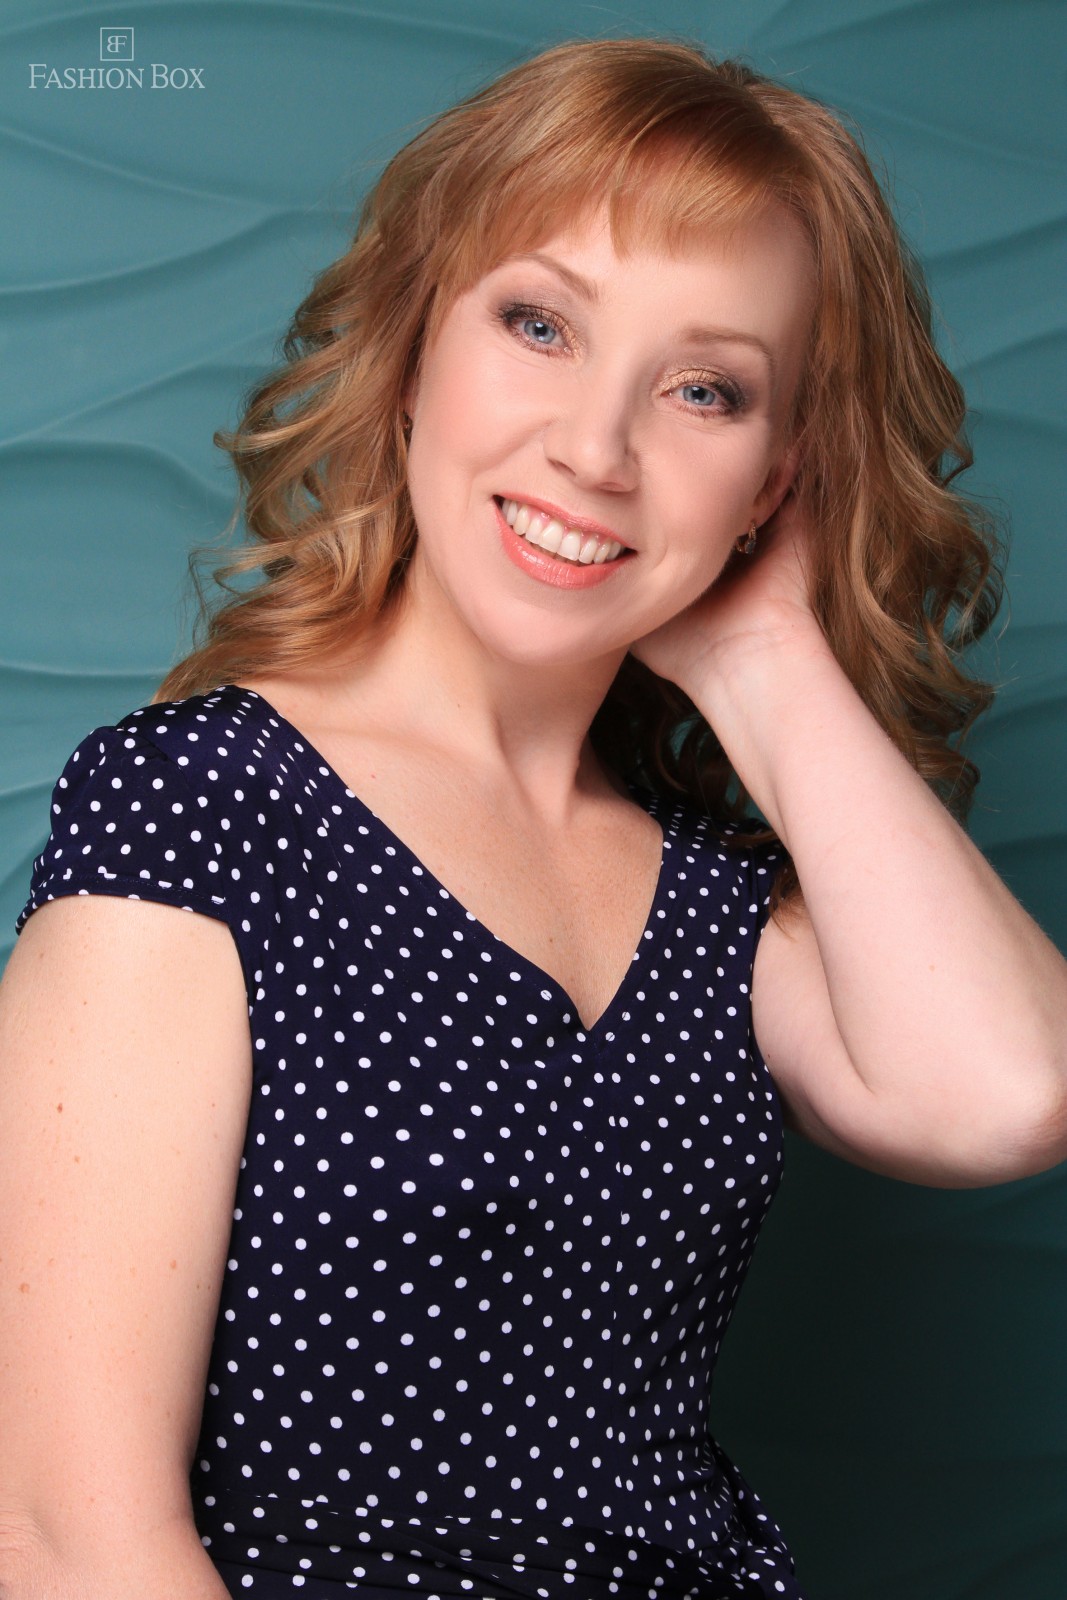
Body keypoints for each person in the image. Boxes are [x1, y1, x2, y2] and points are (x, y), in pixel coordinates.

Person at [1, 35, 1065, 1600]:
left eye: (704, 390)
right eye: (540, 324)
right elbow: (66, 1534)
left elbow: (1011, 1095)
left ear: (776, 481)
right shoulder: (199, 812)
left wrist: (762, 650)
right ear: (416, 343)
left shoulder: (719, 905)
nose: (596, 448)